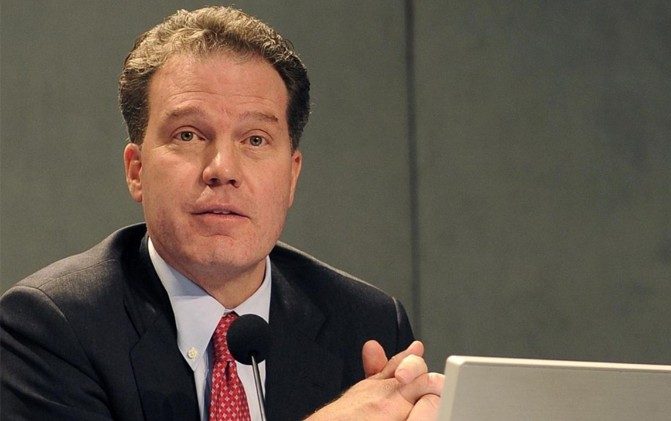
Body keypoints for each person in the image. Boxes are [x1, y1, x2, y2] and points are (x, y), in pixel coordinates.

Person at [0, 6, 442, 421]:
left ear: (291, 176)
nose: (222, 169)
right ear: (137, 171)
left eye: (255, 139)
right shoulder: (51, 327)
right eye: (188, 135)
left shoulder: (366, 324)